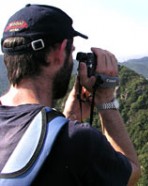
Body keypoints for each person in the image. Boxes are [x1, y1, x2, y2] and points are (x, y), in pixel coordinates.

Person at [0, 4, 140, 186]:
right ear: (59, 52)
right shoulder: (78, 141)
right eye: (72, 51)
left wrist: (66, 119)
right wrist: (106, 101)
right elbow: (132, 174)